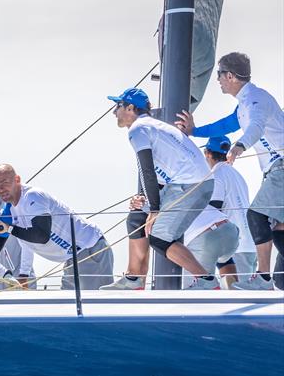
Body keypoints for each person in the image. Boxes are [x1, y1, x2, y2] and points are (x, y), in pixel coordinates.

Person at [176, 52, 284, 290]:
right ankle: (277, 280)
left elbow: (255, 126)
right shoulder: (244, 106)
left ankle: (264, 280)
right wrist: (194, 131)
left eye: (219, 75)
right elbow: (225, 125)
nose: (217, 80)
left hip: (281, 167)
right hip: (275, 170)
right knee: (279, 227)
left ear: (230, 76)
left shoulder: (256, 100)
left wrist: (240, 146)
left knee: (256, 216)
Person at [106, 87, 218, 290]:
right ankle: (134, 279)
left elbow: (146, 170)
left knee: (158, 238)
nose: (114, 112)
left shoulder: (138, 129)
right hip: (185, 184)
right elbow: (161, 171)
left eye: (117, 106)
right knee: (137, 217)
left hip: (192, 186)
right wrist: (145, 200)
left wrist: (155, 210)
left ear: (131, 108)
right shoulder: (151, 125)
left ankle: (206, 280)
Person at [0, 164, 114, 290]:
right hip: (70, 259)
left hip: (90, 249)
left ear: (17, 179)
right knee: (67, 308)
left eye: (5, 182)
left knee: (93, 306)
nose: (0, 189)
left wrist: (9, 228)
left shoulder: (32, 196)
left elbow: (41, 236)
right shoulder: (8, 210)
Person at [200, 135, 257, 287]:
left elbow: (213, 210)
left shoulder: (217, 175)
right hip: (250, 244)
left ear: (207, 152)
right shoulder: (237, 175)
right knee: (245, 298)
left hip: (236, 248)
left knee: (240, 299)